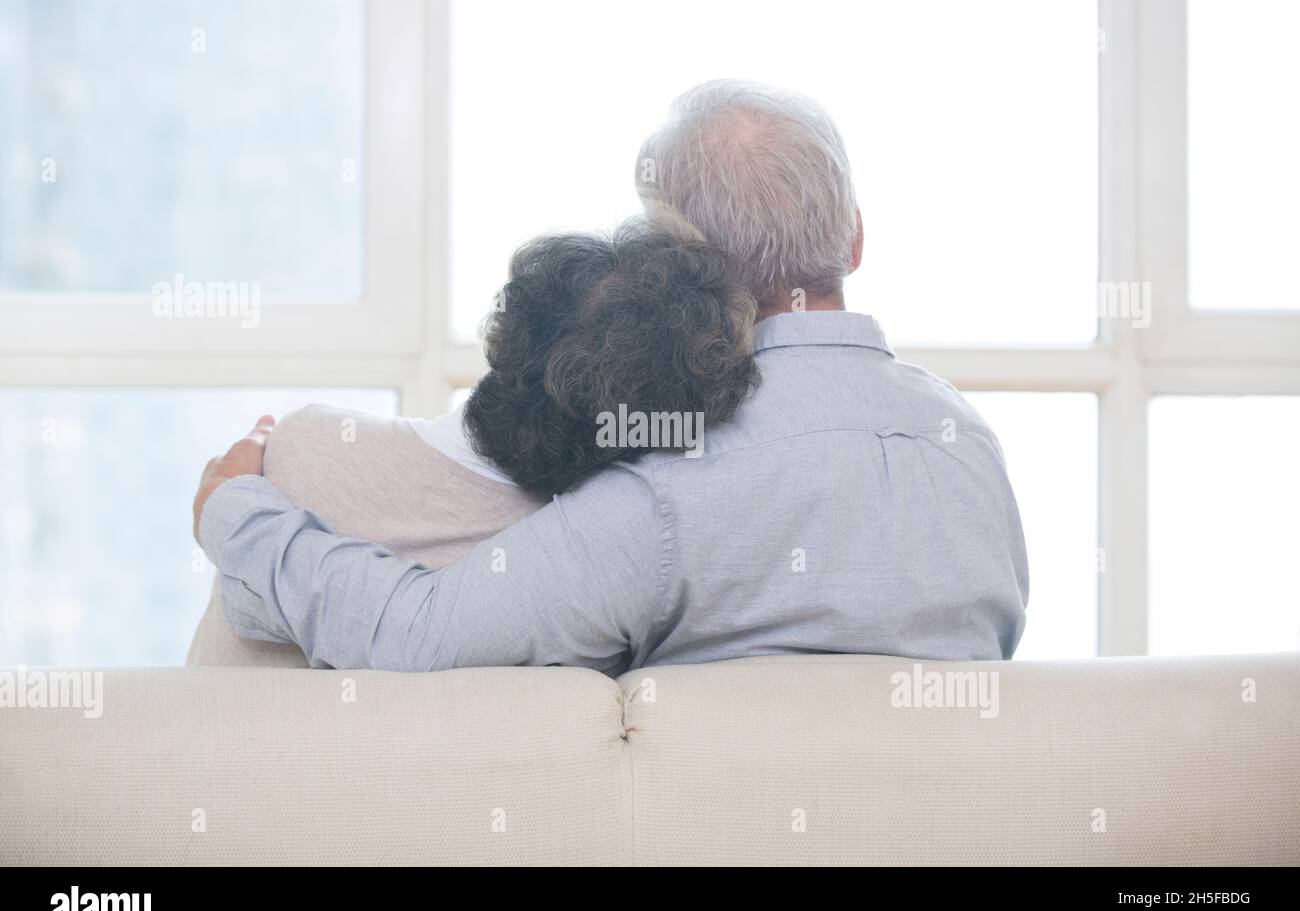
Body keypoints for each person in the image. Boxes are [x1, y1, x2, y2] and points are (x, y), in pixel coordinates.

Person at [193, 79, 1028, 674]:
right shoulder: (972, 454)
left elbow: (416, 636)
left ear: (678, 269)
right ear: (853, 238)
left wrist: (240, 518)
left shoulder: (667, 486)